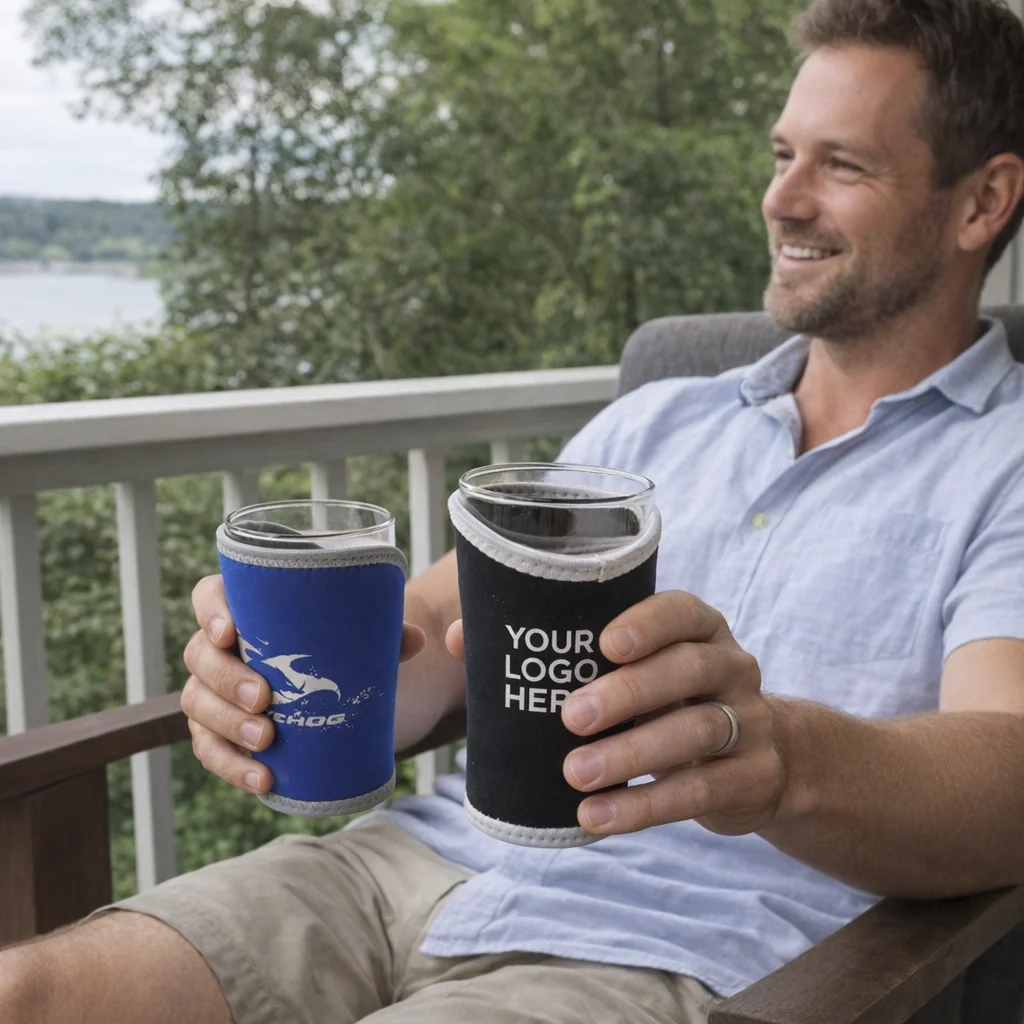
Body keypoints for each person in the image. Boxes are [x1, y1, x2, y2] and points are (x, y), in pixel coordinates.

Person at [4, 0, 1024, 1021]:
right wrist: (280, 690)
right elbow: (441, 647)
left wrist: (774, 756)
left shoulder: (1004, 460)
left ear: (982, 201)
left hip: (681, 943)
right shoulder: (655, 423)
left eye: (841, 165)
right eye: (779, 154)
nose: (781, 199)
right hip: (414, 867)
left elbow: (1006, 767)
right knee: (32, 991)